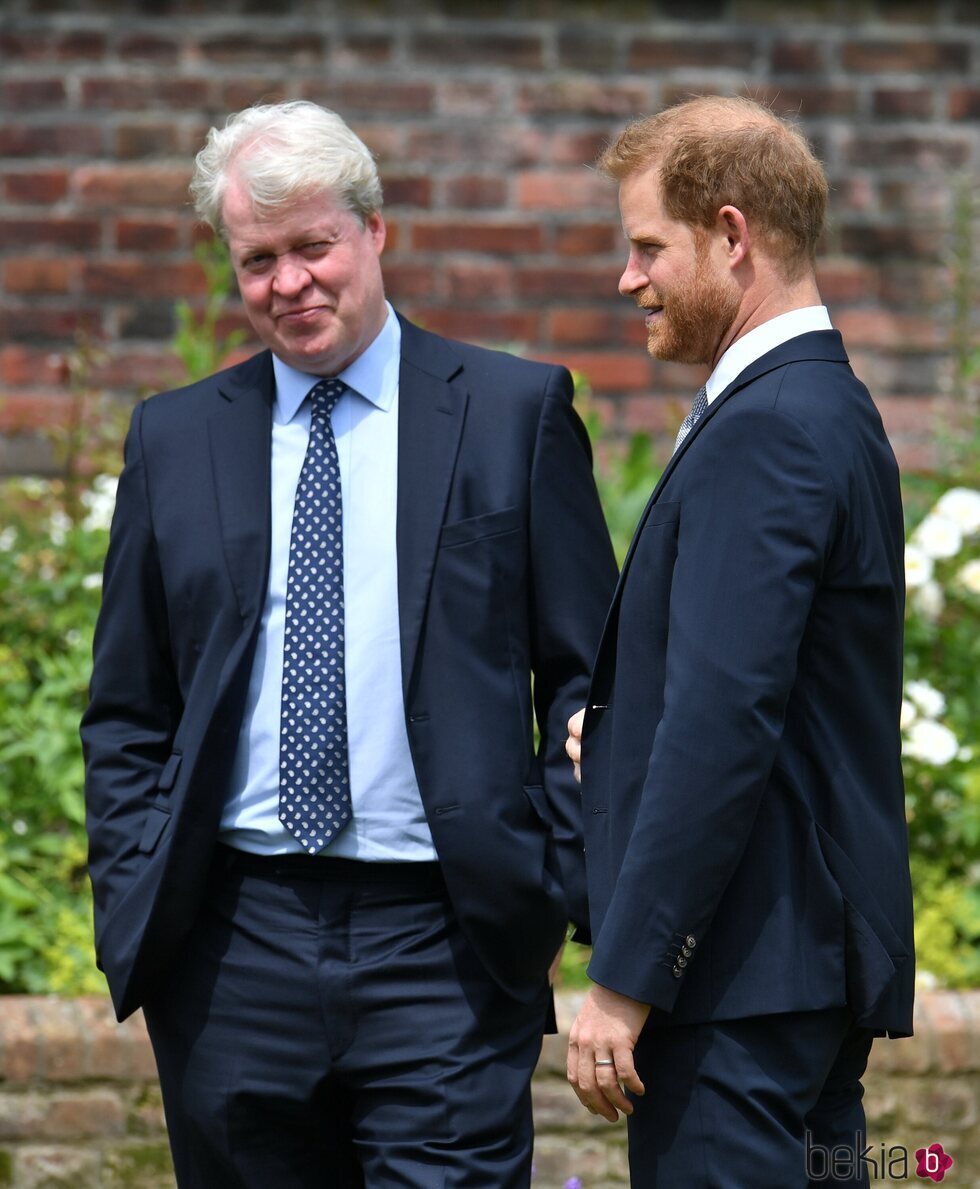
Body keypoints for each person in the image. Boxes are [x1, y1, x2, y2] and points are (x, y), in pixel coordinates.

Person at [81, 100, 617, 1188]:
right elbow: (128, 706)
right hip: (233, 949)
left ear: (374, 230)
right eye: (258, 260)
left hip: (446, 943)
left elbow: (589, 676)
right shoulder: (175, 438)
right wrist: (138, 895)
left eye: (313, 246)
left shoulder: (511, 414)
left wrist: (550, 876)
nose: (289, 284)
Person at [564, 95, 914, 1188]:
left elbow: (724, 722)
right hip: (788, 978)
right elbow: (782, 689)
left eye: (646, 246)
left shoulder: (766, 428)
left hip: (734, 993)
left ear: (729, 235)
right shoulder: (825, 409)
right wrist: (612, 739)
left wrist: (625, 981)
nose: (628, 279)